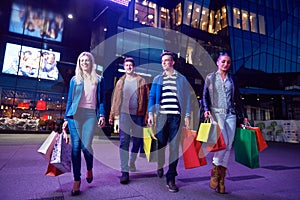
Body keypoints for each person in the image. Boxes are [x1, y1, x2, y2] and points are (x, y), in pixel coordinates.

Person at [202, 52, 248, 194]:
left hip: (231, 114)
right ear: (217, 62)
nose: (225, 64)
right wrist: (206, 109)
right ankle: (215, 172)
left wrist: (244, 116)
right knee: (223, 142)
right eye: (223, 61)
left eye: (228, 62)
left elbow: (238, 98)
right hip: (216, 113)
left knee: (228, 146)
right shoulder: (210, 77)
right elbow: (204, 96)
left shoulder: (232, 79)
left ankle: (221, 181)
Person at [62, 52, 106, 196]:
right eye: (82, 61)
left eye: (87, 60)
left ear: (91, 63)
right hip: (75, 115)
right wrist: (65, 119)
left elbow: (101, 100)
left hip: (90, 115)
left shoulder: (99, 80)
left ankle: (89, 168)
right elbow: (70, 100)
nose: (85, 63)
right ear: (79, 63)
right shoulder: (75, 80)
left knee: (86, 146)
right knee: (76, 147)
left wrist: (102, 115)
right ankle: (76, 180)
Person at [147, 51, 191, 193]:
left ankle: (171, 177)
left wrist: (187, 115)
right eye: (163, 61)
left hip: (176, 117)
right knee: (161, 143)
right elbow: (152, 97)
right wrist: (150, 113)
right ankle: (160, 163)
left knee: (173, 148)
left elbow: (187, 98)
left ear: (172, 62)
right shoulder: (158, 79)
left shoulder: (182, 79)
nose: (165, 63)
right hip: (161, 117)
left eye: (167, 60)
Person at [109, 57, 149, 184]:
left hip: (138, 115)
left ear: (134, 66)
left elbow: (148, 100)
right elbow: (115, 99)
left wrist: (147, 116)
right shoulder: (120, 81)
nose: (128, 67)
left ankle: (132, 162)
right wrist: (111, 115)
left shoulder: (141, 80)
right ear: (124, 67)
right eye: (126, 65)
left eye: (130, 65)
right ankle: (124, 171)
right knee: (124, 142)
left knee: (137, 141)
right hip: (124, 115)